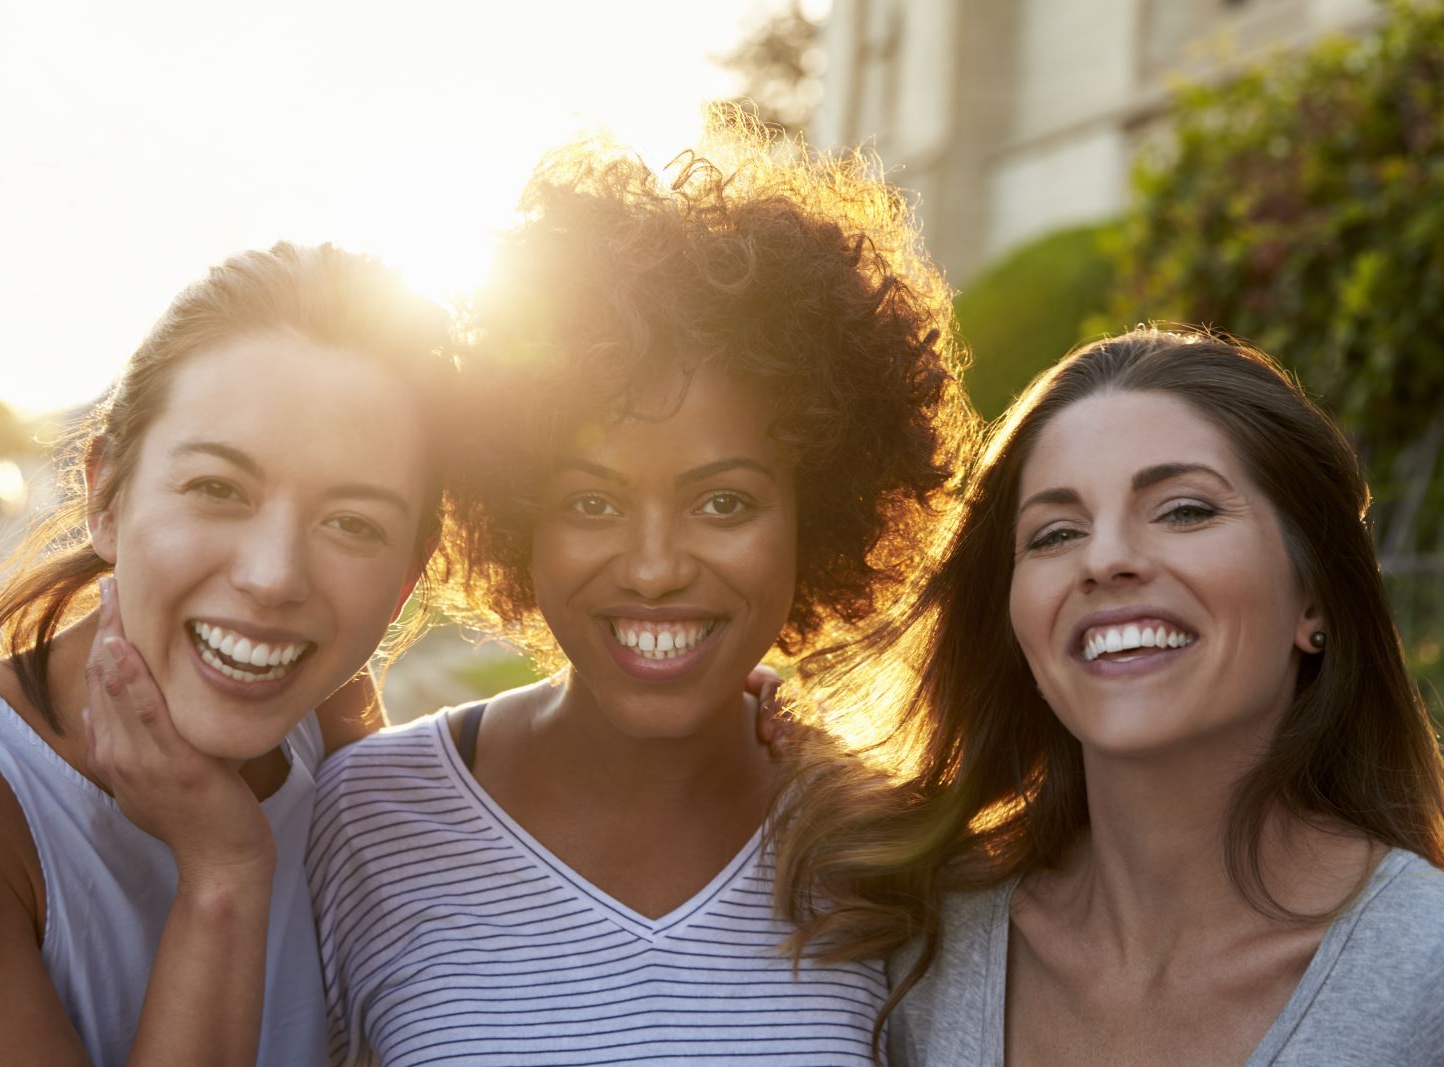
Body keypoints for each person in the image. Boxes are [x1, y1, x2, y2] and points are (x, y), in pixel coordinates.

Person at [308, 129, 975, 1066]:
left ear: (816, 514)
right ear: (518, 516)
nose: (655, 566)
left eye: (724, 501)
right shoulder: (368, 816)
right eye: (591, 501)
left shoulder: (883, 840)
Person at [0, 242, 451, 1066]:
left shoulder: (331, 718)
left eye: (352, 523)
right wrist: (223, 874)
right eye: (217, 489)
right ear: (105, 495)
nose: (273, 578)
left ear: (408, 577)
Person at [774, 328, 1444, 1065]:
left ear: (1313, 599)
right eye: (1056, 532)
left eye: (1184, 510)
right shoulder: (912, 946)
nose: (1106, 559)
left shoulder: (1425, 974)